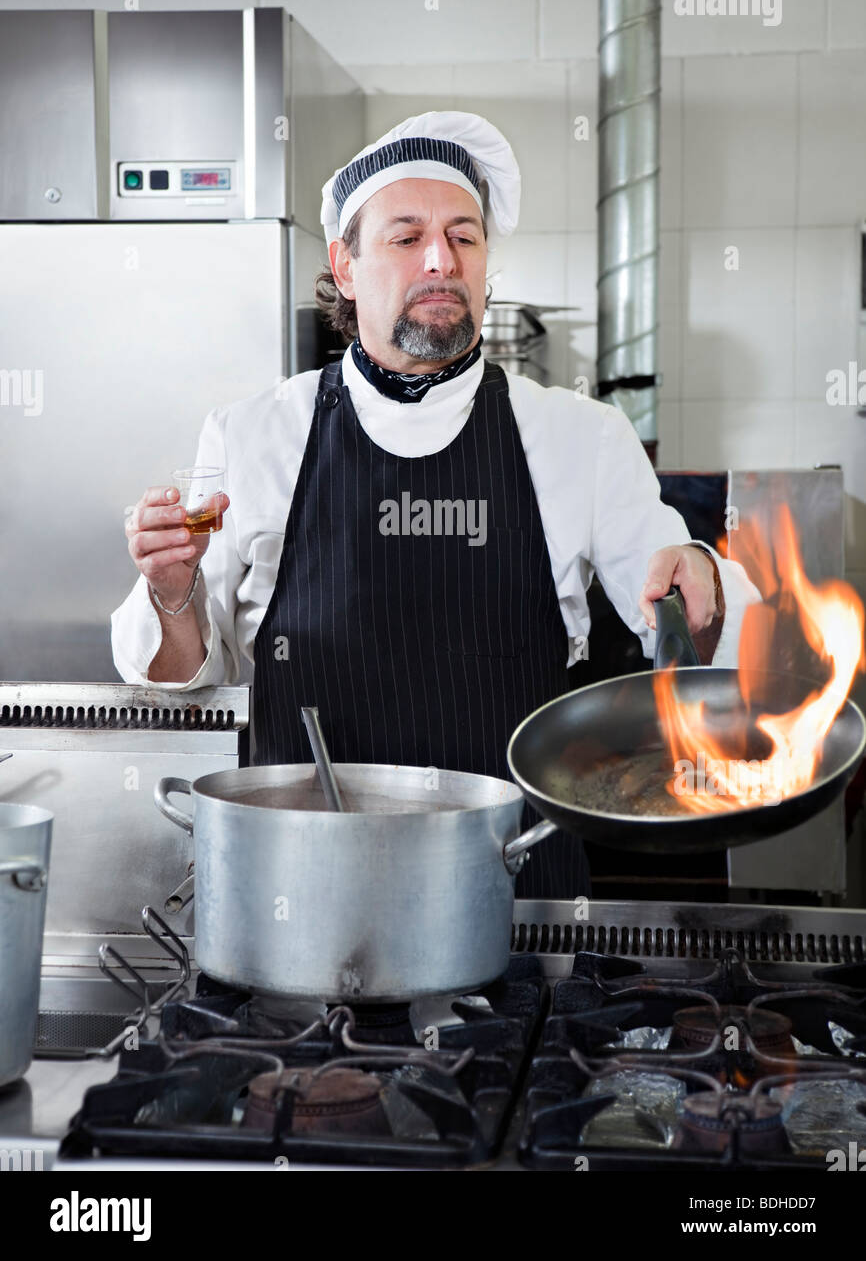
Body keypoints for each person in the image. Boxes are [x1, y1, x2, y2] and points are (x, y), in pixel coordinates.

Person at [112, 111, 760, 898]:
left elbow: (690, 621)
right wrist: (173, 596)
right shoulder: (252, 436)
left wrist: (699, 579)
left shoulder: (578, 436)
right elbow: (183, 673)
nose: (439, 260)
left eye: (464, 236)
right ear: (344, 267)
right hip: (301, 906)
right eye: (405, 234)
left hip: (518, 910)